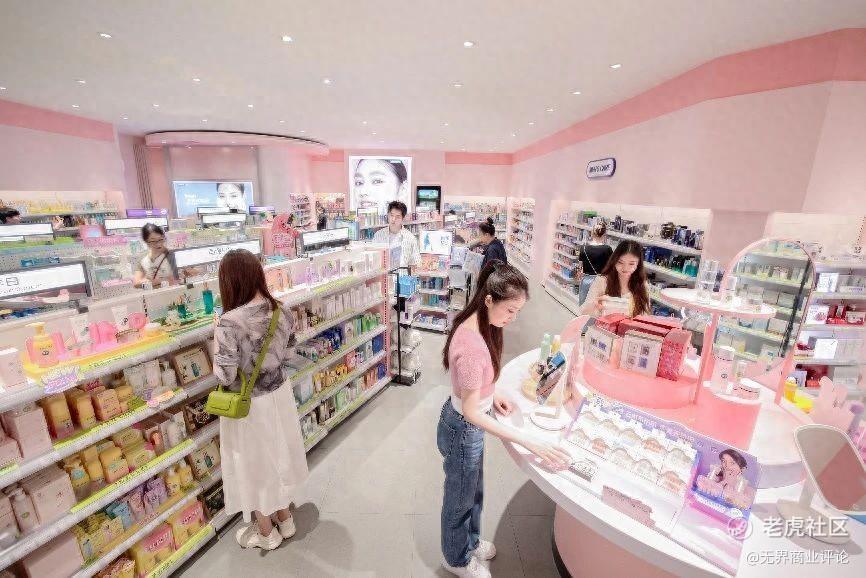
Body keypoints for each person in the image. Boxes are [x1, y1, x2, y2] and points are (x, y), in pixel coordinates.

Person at [439, 262, 571, 578]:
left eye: (517, 312)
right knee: (460, 500)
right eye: (509, 310)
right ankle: (455, 559)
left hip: (468, 424)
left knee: (473, 492)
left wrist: (492, 392)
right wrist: (527, 440)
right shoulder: (472, 344)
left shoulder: (483, 325)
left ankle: (469, 543)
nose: (512, 319)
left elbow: (475, 386)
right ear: (489, 299)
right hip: (463, 428)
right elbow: (470, 411)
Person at [213, 249, 309, 551]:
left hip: (250, 405)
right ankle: (285, 519)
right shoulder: (282, 310)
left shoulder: (229, 322)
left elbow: (225, 375)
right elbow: (289, 353)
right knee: (278, 457)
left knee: (254, 465)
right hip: (279, 396)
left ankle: (266, 533)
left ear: (230, 282)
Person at [578, 240, 650, 317]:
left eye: (631, 264)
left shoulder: (642, 284)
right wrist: (594, 305)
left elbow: (645, 314)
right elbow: (583, 311)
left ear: (638, 264)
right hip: (605, 324)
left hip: (632, 325)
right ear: (614, 261)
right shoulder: (602, 281)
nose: (625, 268)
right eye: (620, 262)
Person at [372, 200, 420, 269]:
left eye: (398, 217)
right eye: (391, 215)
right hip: (382, 273)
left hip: (402, 274)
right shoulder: (378, 235)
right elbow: (373, 258)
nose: (393, 219)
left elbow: (415, 262)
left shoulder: (410, 238)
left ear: (403, 218)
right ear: (388, 215)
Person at [576, 222, 613, 305]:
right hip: (601, 281)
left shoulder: (583, 248)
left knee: (585, 304)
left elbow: (580, 267)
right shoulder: (607, 249)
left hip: (586, 281)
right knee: (600, 305)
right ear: (604, 235)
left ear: (592, 233)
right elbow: (611, 268)